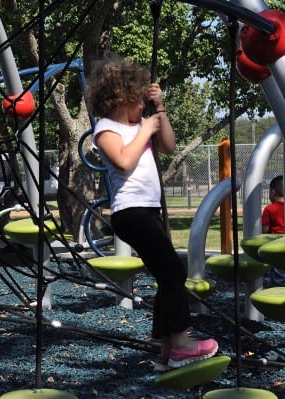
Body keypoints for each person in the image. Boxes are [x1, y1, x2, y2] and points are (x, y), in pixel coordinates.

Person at [87, 55, 218, 371]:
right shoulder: (106, 129)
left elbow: (169, 145)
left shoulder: (140, 124)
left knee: (166, 275)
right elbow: (123, 161)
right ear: (121, 99)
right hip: (130, 213)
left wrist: (160, 111)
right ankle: (181, 345)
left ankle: (165, 348)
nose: (143, 109)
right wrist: (145, 129)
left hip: (145, 213)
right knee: (174, 272)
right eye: (140, 102)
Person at [261, 175, 285, 286]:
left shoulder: (269, 209)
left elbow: (265, 231)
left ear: (273, 192)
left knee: (278, 280)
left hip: (277, 249)